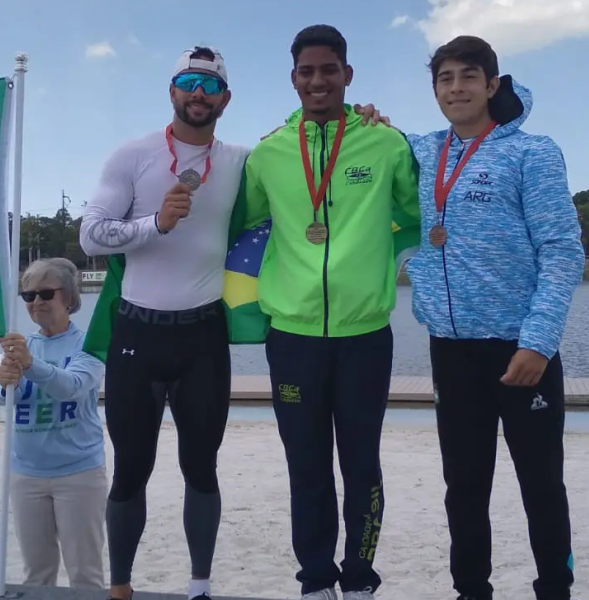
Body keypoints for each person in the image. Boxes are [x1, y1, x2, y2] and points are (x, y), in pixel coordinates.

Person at [77, 45, 392, 600]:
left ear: (226, 99)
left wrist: (365, 118)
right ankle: (120, 587)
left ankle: (200, 586)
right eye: (187, 82)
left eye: (210, 86)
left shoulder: (246, 160)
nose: (198, 94)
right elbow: (90, 234)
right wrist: (155, 223)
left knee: (202, 470)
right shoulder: (133, 155)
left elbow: (302, 160)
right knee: (131, 470)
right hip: (136, 334)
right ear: (171, 91)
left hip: (202, 337)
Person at [235, 24, 420, 600]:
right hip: (291, 335)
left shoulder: (385, 144)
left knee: (362, 464)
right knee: (306, 466)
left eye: (329, 69)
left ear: (348, 74)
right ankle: (315, 580)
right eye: (307, 72)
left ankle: (361, 579)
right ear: (293, 79)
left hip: (366, 333)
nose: (318, 80)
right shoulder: (267, 154)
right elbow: (241, 222)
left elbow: (419, 210)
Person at [402, 35, 586, 600]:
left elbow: (562, 250)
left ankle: (555, 588)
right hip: (450, 349)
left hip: (520, 349)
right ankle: (470, 592)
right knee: (464, 487)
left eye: (467, 76)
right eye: (444, 78)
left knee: (540, 485)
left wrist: (538, 342)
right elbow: (370, 136)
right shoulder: (422, 150)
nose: (456, 88)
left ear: (492, 84)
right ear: (434, 89)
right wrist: (368, 116)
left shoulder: (533, 152)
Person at [0, 257, 108, 590]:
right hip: (26, 474)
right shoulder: (22, 345)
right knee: (37, 575)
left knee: (85, 574)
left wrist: (30, 365)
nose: (36, 302)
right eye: (28, 296)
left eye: (45, 293)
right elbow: (4, 396)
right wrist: (5, 381)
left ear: (69, 297)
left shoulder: (89, 344)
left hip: (79, 474)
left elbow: (71, 387)